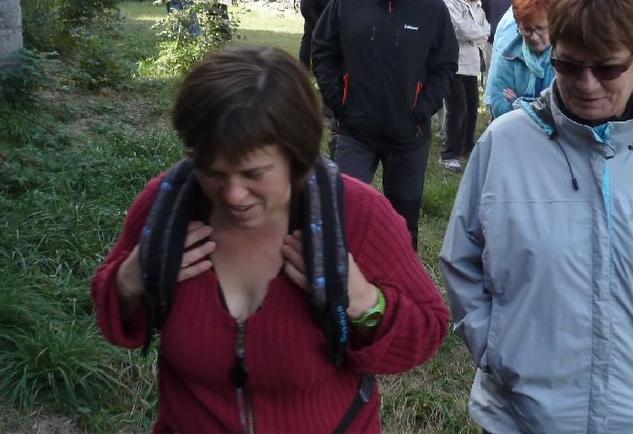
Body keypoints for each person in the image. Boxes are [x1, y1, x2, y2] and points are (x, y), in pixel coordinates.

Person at [440, 0, 633, 434]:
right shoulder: (506, 144)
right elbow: (462, 257)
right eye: (569, 65)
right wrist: (495, 348)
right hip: (515, 418)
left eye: (608, 67)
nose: (587, 83)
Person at [92, 47, 450, 433]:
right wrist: (131, 278)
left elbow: (427, 331)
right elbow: (113, 314)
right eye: (212, 171)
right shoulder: (167, 207)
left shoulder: (357, 214)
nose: (233, 195)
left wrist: (363, 300)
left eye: (254, 174)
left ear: (298, 157)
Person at [312, 0, 457, 248]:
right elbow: (322, 49)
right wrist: (337, 98)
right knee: (342, 213)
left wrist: (421, 109)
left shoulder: (431, 8)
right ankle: (341, 274)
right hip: (353, 130)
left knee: (402, 225)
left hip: (408, 135)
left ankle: (401, 275)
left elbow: (445, 66)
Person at [439, 0, 491, 172]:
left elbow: (486, 28)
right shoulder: (450, 0)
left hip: (471, 62)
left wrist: (476, 34)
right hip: (453, 62)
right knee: (457, 107)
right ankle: (449, 153)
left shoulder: (476, 2)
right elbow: (460, 30)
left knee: (472, 106)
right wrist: (477, 33)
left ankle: (467, 146)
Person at [484, 0, 555, 117]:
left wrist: (517, 103)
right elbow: (499, 108)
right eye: (526, 30)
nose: (534, 37)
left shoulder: (565, 58)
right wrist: (541, 109)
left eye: (540, 28)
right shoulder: (509, 56)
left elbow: (565, 110)